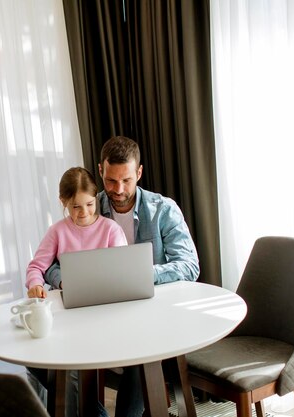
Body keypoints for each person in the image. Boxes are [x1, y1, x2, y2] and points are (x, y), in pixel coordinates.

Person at [45, 136, 200, 416]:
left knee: (141, 348)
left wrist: (136, 274)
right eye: (111, 180)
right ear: (100, 171)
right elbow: (50, 264)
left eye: (126, 180)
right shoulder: (88, 205)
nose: (118, 189)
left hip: (150, 314)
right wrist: (65, 279)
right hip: (99, 314)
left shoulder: (162, 210)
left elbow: (189, 265)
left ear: (139, 173)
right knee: (45, 358)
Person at [25, 166, 127, 417]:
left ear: (96, 198)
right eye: (76, 207)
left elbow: (123, 272)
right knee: (36, 359)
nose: (84, 213)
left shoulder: (111, 230)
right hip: (68, 313)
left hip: (105, 314)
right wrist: (35, 284)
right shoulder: (58, 231)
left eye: (90, 204)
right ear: (64, 202)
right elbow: (36, 266)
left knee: (69, 371)